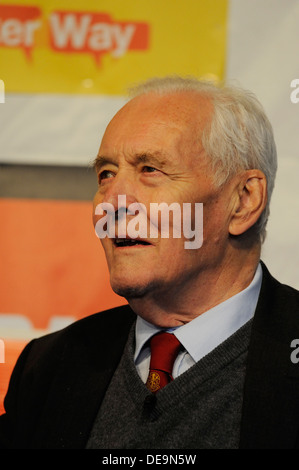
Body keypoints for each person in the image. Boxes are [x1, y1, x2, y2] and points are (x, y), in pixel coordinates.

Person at [1, 76, 299, 449]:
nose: (113, 201)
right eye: (106, 174)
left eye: (150, 170)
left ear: (242, 200)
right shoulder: (49, 365)